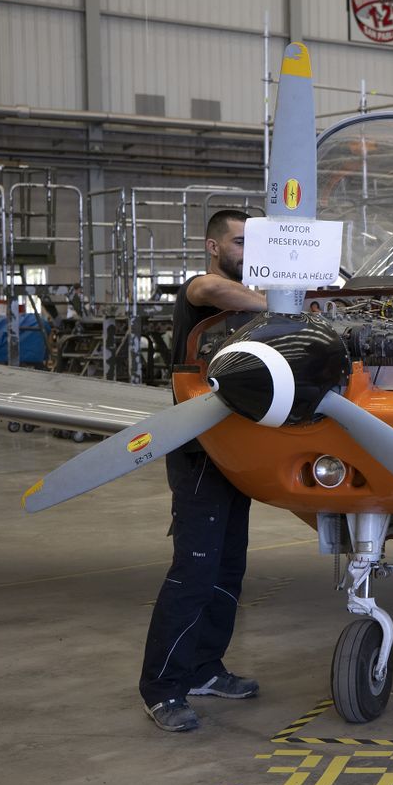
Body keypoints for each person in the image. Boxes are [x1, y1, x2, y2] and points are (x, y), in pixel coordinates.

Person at [141, 209, 268, 733]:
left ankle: (204, 669)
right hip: (197, 455)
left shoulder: (252, 296)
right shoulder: (201, 289)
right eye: (239, 242)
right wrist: (285, 302)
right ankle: (163, 688)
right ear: (214, 247)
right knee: (192, 573)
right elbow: (216, 292)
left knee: (227, 570)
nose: (247, 251)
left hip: (237, 454)